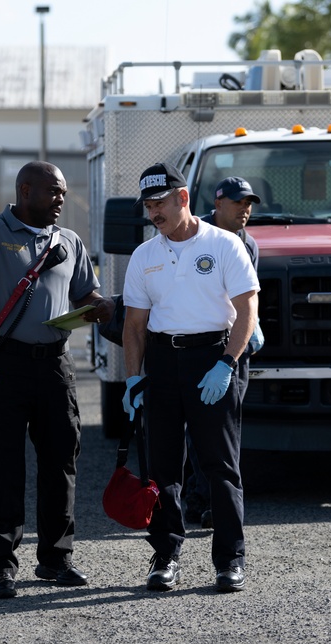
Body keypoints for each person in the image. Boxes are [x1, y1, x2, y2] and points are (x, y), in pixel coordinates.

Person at [0, 162, 113, 599]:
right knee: (3, 468)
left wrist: (98, 306)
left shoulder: (67, 240)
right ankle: (0, 567)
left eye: (65, 194)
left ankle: (56, 558)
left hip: (56, 364)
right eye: (55, 192)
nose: (61, 200)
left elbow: (84, 291)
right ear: (26, 190)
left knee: (61, 464)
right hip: (6, 366)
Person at [121, 162, 259, 593]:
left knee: (220, 466)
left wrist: (227, 362)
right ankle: (165, 556)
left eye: (159, 203)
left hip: (212, 358)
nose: (153, 213)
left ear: (183, 198)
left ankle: (230, 560)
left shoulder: (224, 245)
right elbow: (134, 327)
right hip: (163, 362)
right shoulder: (145, 255)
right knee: (162, 468)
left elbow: (247, 309)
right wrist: (131, 379)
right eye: (147, 206)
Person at [184, 177, 265, 529]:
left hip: (234, 350)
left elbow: (247, 301)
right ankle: (205, 498)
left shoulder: (249, 244)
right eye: (238, 202)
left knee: (225, 427)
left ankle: (207, 499)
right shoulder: (197, 237)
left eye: (248, 203)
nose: (245, 209)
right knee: (200, 428)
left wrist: (249, 334)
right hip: (200, 346)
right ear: (218, 203)